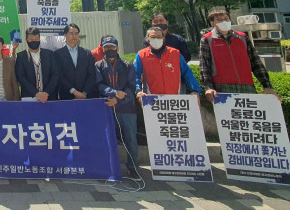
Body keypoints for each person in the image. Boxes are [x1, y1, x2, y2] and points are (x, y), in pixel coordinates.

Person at [199, 9, 280, 103]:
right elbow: (205, 66)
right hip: (222, 87)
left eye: (226, 19)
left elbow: (255, 62)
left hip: (247, 85)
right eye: (220, 20)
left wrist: (267, 85)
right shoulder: (207, 39)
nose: (224, 22)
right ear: (213, 23)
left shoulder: (242, 37)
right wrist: (208, 87)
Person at [95, 36, 140, 180]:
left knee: (131, 139)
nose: (109, 50)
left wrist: (119, 99)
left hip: (127, 108)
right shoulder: (98, 65)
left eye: (112, 47)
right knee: (109, 140)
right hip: (108, 107)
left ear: (117, 48)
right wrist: (113, 94)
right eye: (106, 48)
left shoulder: (128, 65)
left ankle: (133, 168)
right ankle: (110, 167)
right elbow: (99, 85)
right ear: (103, 49)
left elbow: (132, 86)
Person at [135, 27, 201, 98]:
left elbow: (187, 73)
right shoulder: (141, 55)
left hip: (176, 99)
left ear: (163, 38)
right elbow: (135, 75)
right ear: (147, 39)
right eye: (153, 37)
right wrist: (138, 91)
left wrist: (195, 90)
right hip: (151, 100)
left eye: (159, 37)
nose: (156, 39)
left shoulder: (175, 53)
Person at [15, 26, 60, 102]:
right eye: (31, 40)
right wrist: (36, 93)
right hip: (29, 97)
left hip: (49, 97)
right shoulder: (21, 56)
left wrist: (46, 93)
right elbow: (21, 77)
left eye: (36, 39)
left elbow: (55, 74)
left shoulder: (49, 54)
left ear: (40, 39)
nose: (34, 41)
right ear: (26, 40)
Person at [56, 23, 97, 100]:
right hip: (66, 96)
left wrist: (84, 93)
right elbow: (60, 75)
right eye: (71, 33)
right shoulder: (58, 54)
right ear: (65, 35)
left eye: (76, 33)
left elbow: (91, 75)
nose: (74, 36)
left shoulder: (87, 53)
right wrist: (74, 91)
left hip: (85, 96)